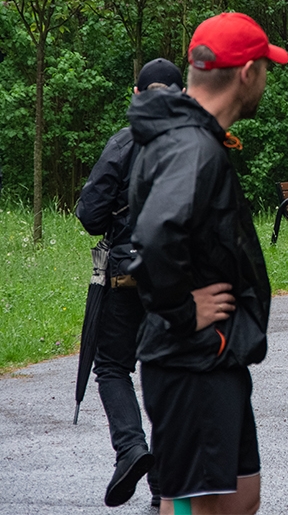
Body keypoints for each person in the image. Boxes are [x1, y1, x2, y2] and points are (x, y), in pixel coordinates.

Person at [128, 12, 288, 515]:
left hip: (213, 357)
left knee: (240, 499)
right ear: (247, 73)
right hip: (192, 357)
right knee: (204, 506)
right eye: (266, 66)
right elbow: (155, 235)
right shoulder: (192, 148)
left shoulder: (190, 138)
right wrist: (182, 309)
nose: (267, 76)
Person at [76, 57, 184, 508]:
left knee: (113, 367)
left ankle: (131, 449)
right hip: (178, 281)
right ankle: (163, 489)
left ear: (137, 96)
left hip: (124, 276)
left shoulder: (122, 142)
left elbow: (89, 215)